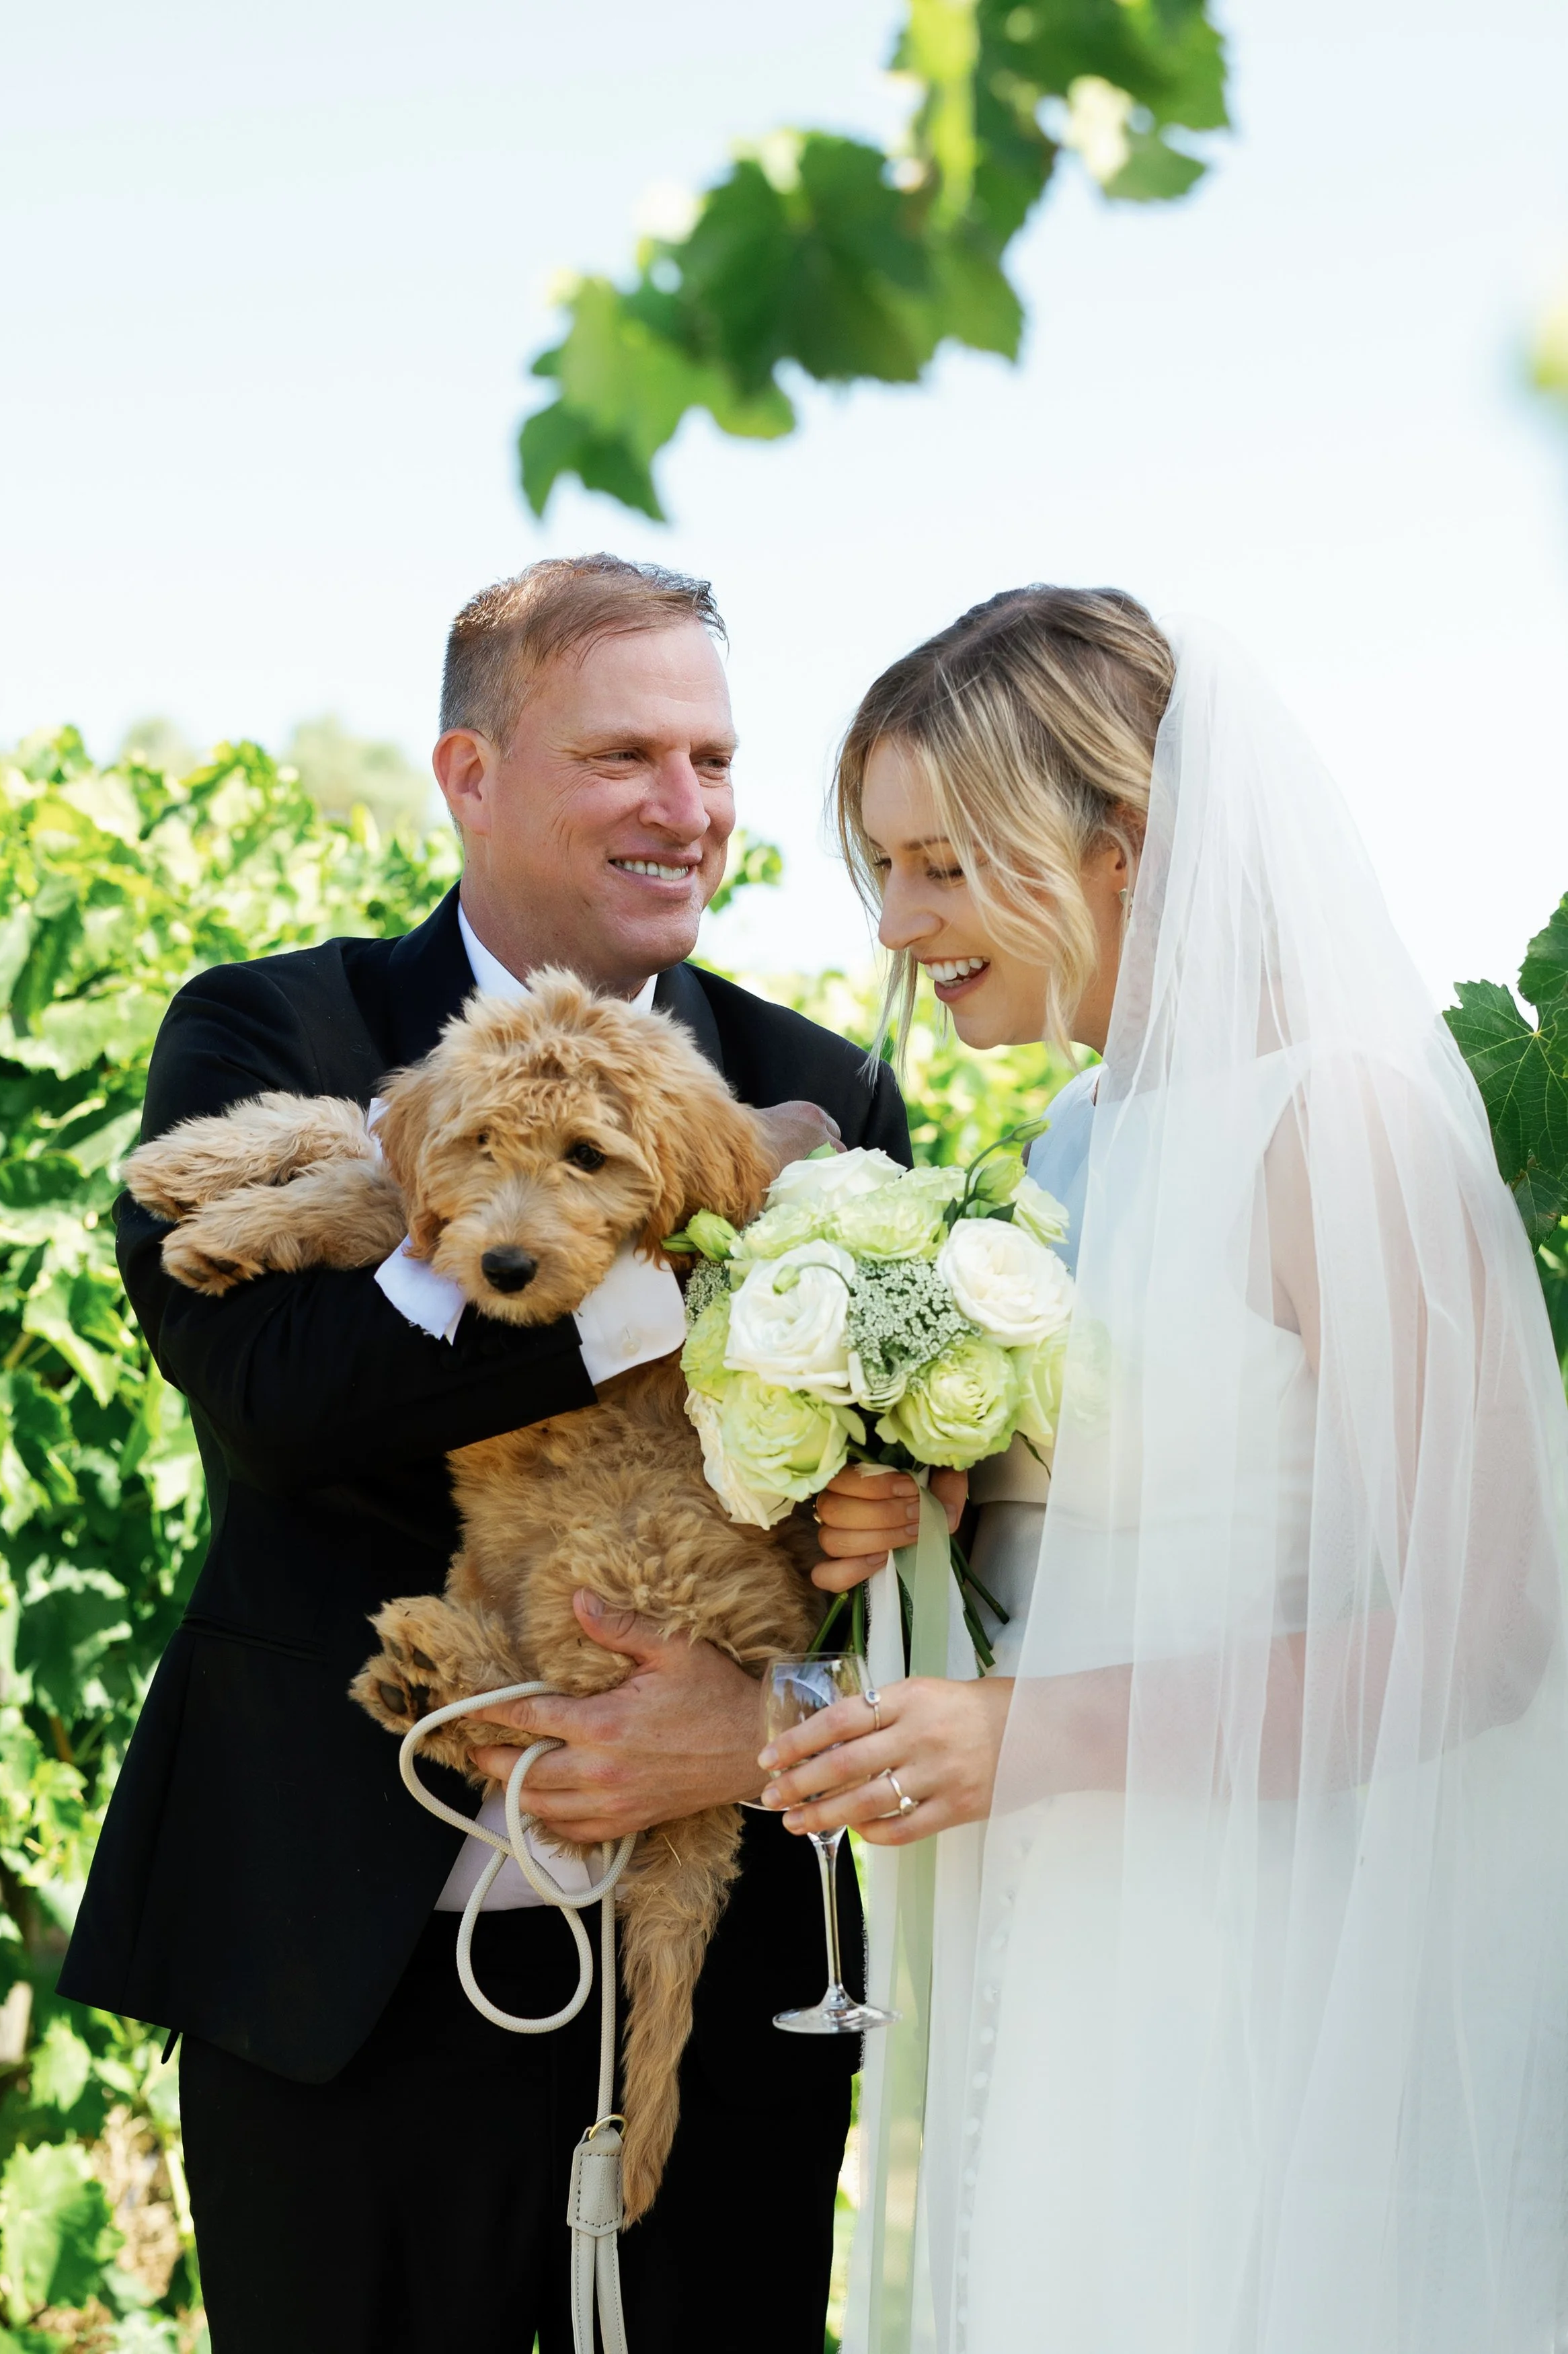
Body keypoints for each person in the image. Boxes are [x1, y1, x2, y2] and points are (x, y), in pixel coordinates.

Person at [59, 554, 916, 2354]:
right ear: (466, 774)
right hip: (341, 1980)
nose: (686, 810)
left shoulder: (816, 1087)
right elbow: (278, 1403)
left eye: (711, 757)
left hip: (716, 1979)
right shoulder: (272, 1029)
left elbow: (886, 1532)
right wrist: (648, 1287)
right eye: (625, 755)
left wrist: (781, 1688)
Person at [762, 587, 1568, 2351]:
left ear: (1115, 841)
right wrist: (931, 1523)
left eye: (940, 865)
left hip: (1243, 1945)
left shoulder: (1328, 1120)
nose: (897, 924)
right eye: (882, 869)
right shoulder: (1069, 1137)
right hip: (1047, 1918)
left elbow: (1491, 1626)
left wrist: (1034, 1737)